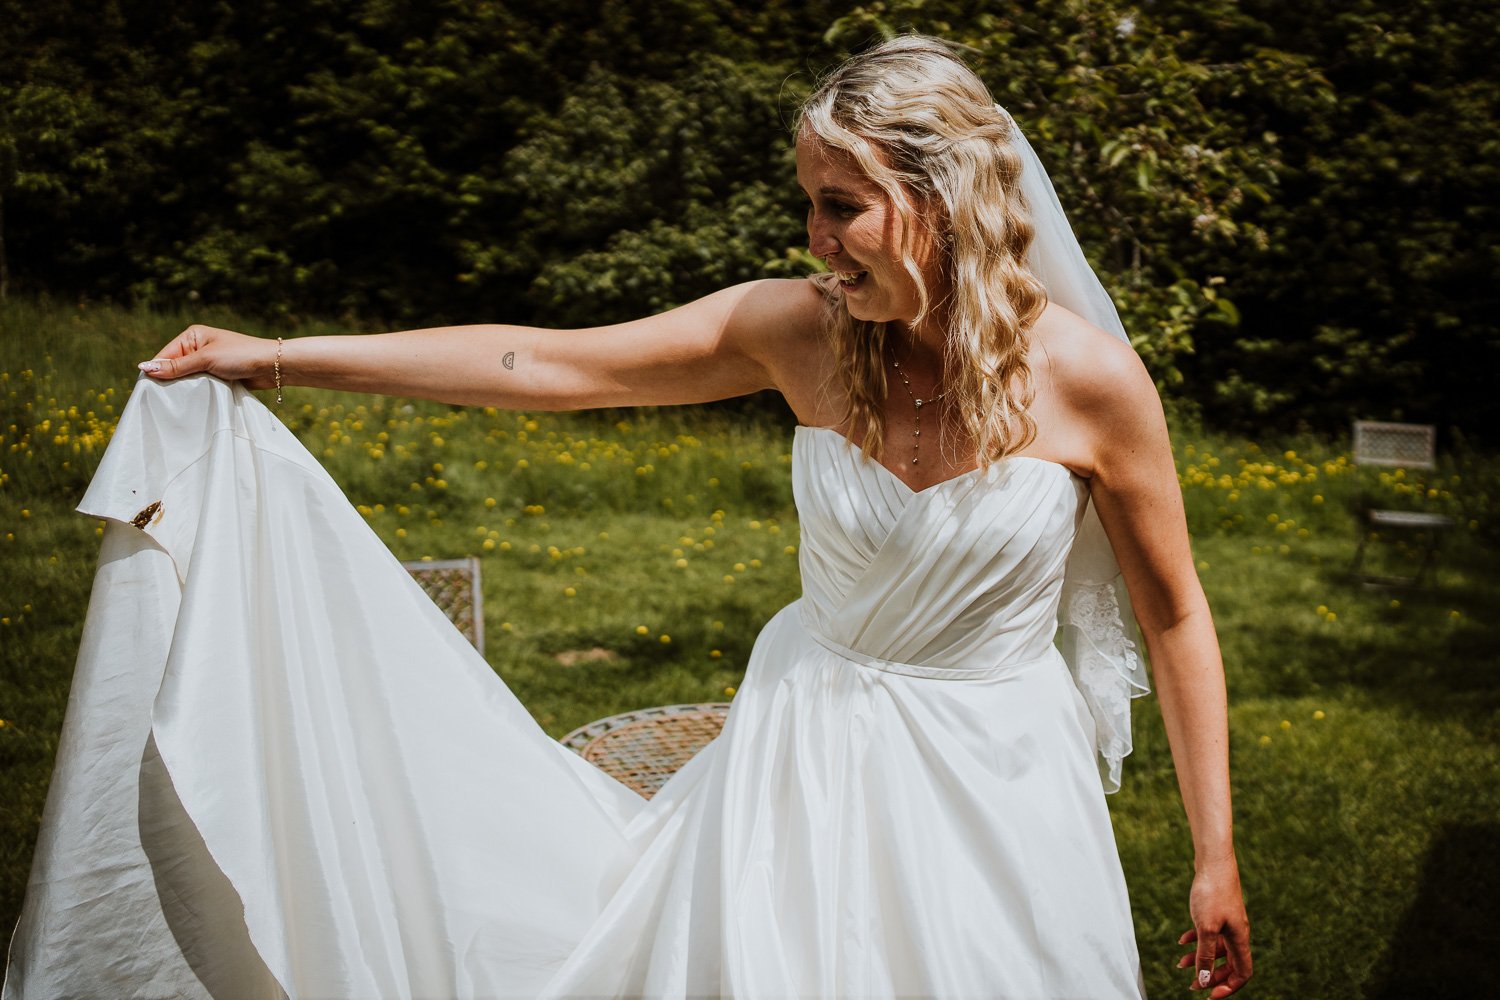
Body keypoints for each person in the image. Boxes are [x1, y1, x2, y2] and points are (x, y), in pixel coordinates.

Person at [9, 35, 1250, 1000]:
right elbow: (549, 363)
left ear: (948, 195)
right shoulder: (796, 330)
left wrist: (1214, 856)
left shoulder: (1092, 382)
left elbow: (1177, 617)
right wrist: (280, 358)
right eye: (810, 202)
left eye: (843, 205)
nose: (815, 238)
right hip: (805, 758)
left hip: (1000, 779)